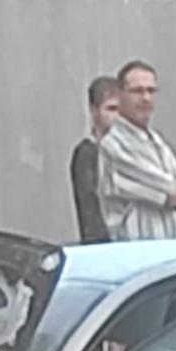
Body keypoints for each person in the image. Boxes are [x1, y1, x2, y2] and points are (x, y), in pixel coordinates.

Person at [97, 60, 176, 241]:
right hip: (138, 257)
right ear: (119, 95)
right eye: (137, 91)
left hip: (170, 253)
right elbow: (168, 189)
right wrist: (174, 188)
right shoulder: (113, 145)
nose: (146, 98)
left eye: (151, 90)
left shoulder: (157, 141)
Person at [69, 77, 121, 243]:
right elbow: (90, 210)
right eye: (111, 109)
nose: (118, 117)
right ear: (94, 110)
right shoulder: (87, 153)